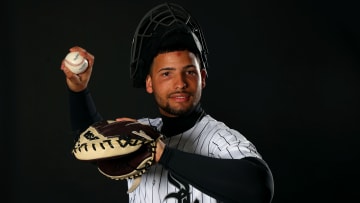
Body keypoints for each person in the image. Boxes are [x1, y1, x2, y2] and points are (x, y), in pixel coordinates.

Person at [61, 2, 274, 203]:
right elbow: (88, 141)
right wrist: (78, 90)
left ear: (203, 79)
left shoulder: (219, 139)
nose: (180, 83)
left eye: (189, 72)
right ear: (149, 83)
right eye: (166, 74)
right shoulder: (140, 132)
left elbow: (259, 188)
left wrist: (162, 154)